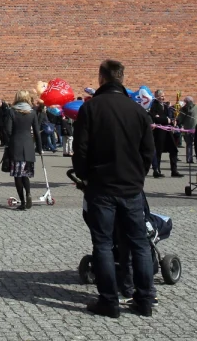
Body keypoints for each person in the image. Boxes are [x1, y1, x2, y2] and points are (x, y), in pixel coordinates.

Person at [72, 60, 156, 318]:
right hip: (131, 187)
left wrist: (85, 178)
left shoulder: (91, 109)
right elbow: (148, 152)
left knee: (104, 244)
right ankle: (144, 300)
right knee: (139, 244)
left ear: (101, 78)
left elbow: (81, 150)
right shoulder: (138, 111)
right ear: (121, 77)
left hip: (101, 186)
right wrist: (137, 176)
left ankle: (109, 301)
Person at [5, 90, 42, 210]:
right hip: (28, 146)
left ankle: (22, 202)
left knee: (17, 175)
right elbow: (36, 131)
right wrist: (40, 148)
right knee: (25, 174)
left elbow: (8, 130)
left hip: (16, 145)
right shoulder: (32, 112)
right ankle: (29, 193)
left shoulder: (12, 111)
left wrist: (8, 142)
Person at [148, 90, 181, 178]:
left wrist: (173, 121)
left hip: (168, 132)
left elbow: (168, 116)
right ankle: (157, 170)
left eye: (164, 96)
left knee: (174, 150)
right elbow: (155, 118)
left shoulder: (166, 106)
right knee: (158, 151)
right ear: (157, 96)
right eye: (162, 96)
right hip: (159, 133)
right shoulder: (154, 105)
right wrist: (166, 120)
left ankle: (174, 171)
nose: (163, 98)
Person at [177, 96, 197, 164]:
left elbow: (179, 119)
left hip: (189, 129)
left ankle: (190, 159)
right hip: (194, 129)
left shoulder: (183, 109)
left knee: (190, 144)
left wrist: (179, 123)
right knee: (196, 144)